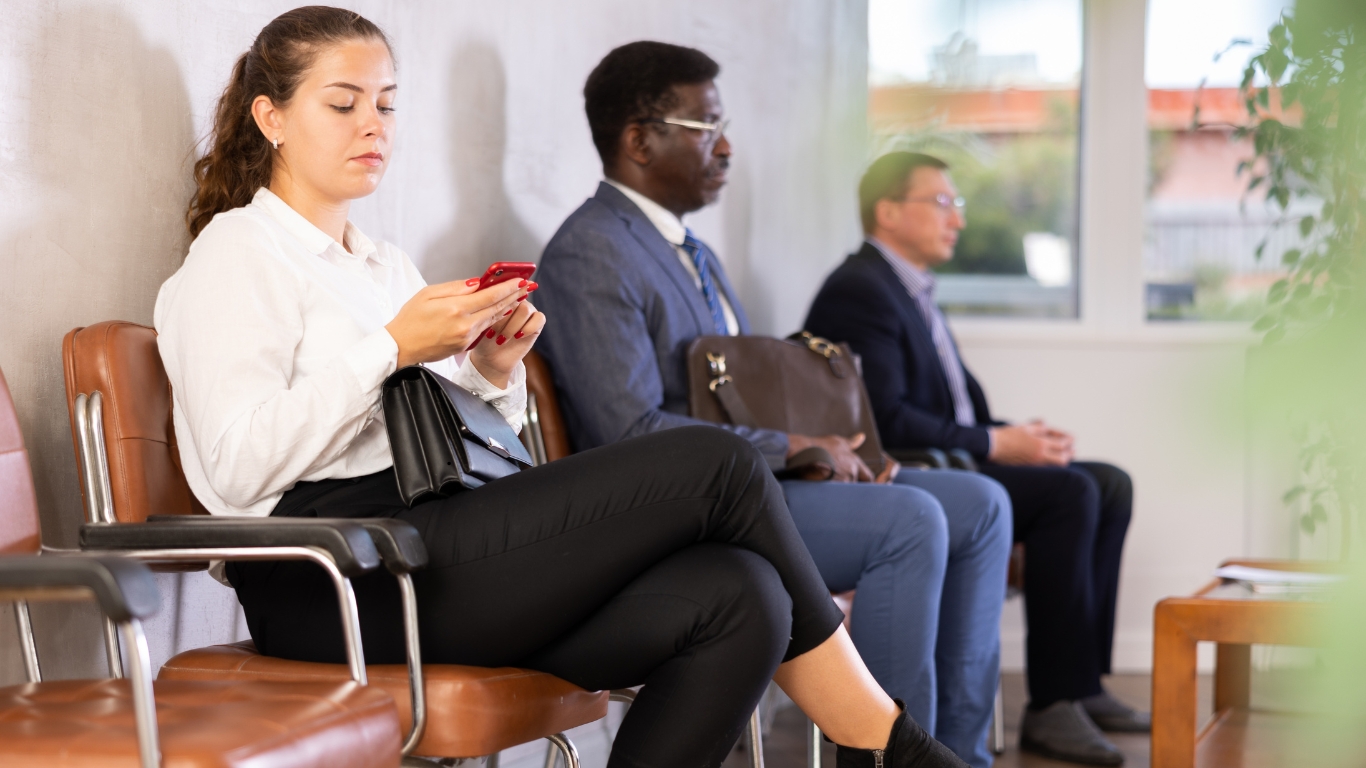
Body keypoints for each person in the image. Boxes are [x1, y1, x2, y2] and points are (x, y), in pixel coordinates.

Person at [153, 9, 970, 768]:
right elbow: (233, 471)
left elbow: (429, 440)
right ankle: (884, 741)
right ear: (271, 118)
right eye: (343, 104)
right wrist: (392, 346)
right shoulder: (238, 255)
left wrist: (488, 373)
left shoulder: (382, 264)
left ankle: (879, 738)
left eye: (388, 105)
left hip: (431, 542)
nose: (374, 125)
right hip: (337, 575)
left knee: (741, 596)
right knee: (717, 464)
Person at [534, 42, 1011, 768]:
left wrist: (837, 453)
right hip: (688, 515)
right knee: (910, 522)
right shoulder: (592, 250)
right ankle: (886, 758)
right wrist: (792, 449)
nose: (726, 147)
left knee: (981, 504)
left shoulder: (693, 251)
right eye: (705, 128)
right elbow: (626, 431)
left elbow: (738, 394)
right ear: (638, 139)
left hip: (754, 483)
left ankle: (958, 754)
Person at [804, 151, 1147, 767]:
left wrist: (1018, 436)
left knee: (1108, 483)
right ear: (887, 211)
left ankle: (1082, 684)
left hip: (953, 453)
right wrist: (997, 445)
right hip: (921, 467)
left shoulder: (911, 289)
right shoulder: (861, 289)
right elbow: (883, 418)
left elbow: (952, 403)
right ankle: (1051, 706)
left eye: (956, 204)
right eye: (941, 202)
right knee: (1071, 495)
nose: (956, 219)